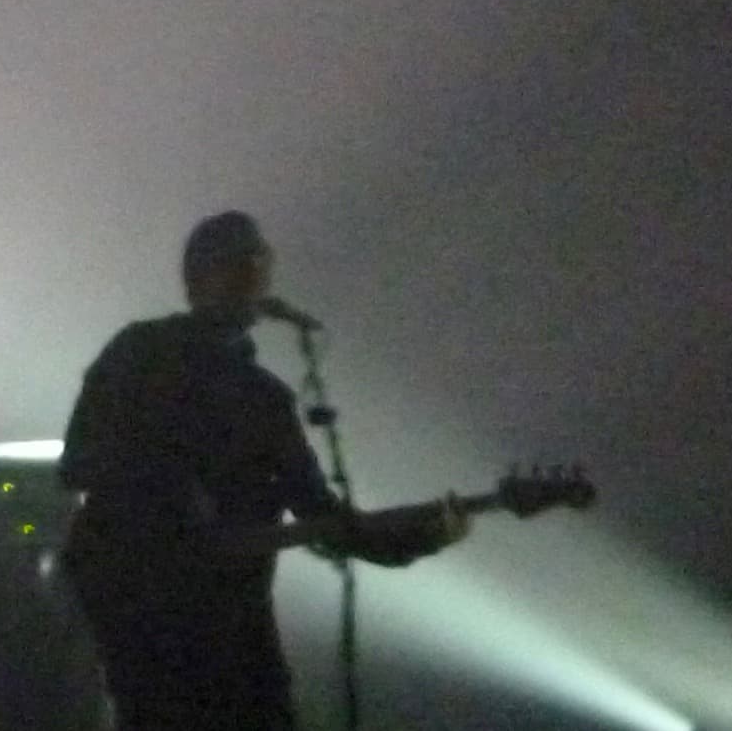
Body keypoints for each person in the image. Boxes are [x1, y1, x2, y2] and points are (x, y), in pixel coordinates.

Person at [58, 212, 455, 731]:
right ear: (199, 276)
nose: (255, 274)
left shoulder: (265, 399)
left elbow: (322, 515)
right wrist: (173, 498)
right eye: (240, 261)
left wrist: (417, 540)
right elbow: (79, 464)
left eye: (259, 261)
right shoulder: (140, 352)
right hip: (144, 611)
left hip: (231, 618)